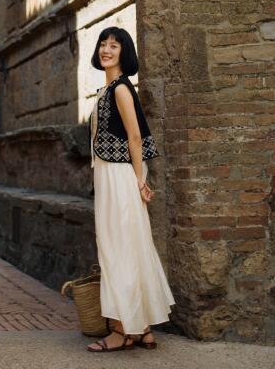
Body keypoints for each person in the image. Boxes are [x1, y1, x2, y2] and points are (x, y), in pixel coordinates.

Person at [86, 25, 175, 353]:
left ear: (125, 52)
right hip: (111, 173)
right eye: (103, 44)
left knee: (117, 248)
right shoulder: (108, 88)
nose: (106, 50)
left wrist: (139, 180)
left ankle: (122, 330)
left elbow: (135, 137)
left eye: (114, 45)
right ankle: (144, 328)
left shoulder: (121, 88)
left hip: (119, 176)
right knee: (131, 246)